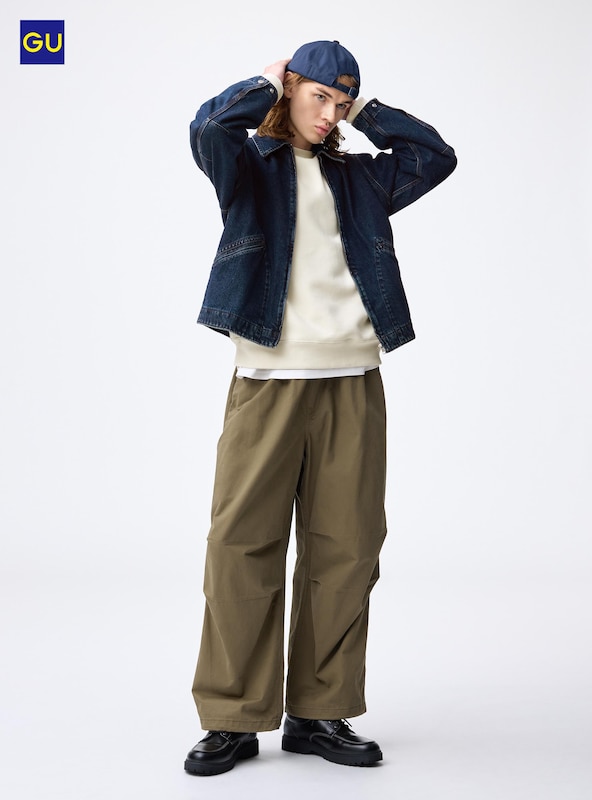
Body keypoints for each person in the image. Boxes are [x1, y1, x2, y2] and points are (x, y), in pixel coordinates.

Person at [184, 40, 457, 776]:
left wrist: (363, 109)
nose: (330, 113)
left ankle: (320, 711)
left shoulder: (360, 177)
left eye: (342, 102)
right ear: (290, 91)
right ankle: (232, 717)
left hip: (353, 378)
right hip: (268, 379)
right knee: (241, 545)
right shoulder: (248, 166)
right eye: (320, 98)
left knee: (348, 548)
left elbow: (435, 156)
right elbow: (207, 128)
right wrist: (265, 84)